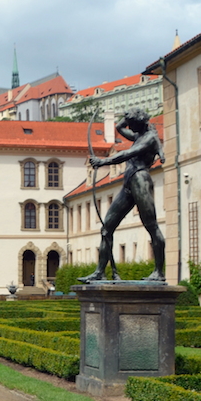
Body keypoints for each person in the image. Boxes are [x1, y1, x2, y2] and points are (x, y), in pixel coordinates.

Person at [79, 108, 167, 283]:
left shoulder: (149, 139)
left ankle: (159, 272)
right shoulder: (139, 135)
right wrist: (126, 117)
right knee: (106, 228)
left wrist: (103, 161)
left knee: (152, 226)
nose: (130, 128)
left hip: (140, 180)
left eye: (132, 124)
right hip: (129, 182)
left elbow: (127, 153)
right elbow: (119, 128)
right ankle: (100, 272)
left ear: (139, 123)